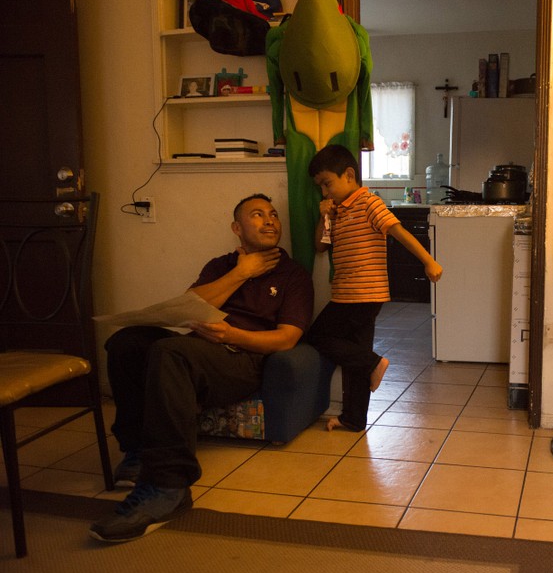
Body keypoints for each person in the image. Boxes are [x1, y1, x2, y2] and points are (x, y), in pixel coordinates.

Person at [89, 193, 313, 543]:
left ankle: (168, 486)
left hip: (241, 358)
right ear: (237, 228)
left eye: (273, 214)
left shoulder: (293, 274)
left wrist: (233, 334)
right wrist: (241, 272)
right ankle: (138, 451)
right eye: (257, 215)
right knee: (127, 342)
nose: (270, 220)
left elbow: (287, 339)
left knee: (170, 352)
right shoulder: (220, 266)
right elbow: (190, 309)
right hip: (198, 347)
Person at [307, 144, 442, 432]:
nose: (325, 192)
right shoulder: (337, 211)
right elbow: (320, 246)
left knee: (317, 337)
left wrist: (429, 261)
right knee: (354, 355)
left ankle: (372, 363)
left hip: (362, 294)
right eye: (320, 187)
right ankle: (353, 418)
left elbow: (400, 233)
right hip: (346, 293)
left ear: (349, 175)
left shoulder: (370, 203)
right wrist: (324, 216)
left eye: (327, 184)